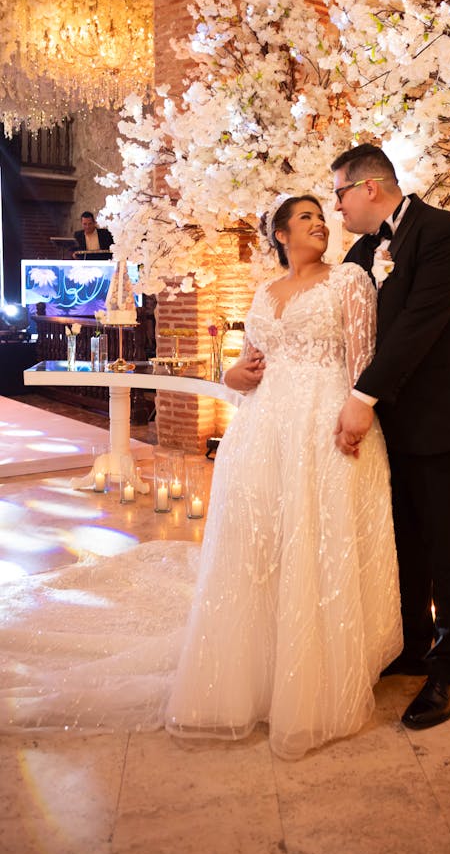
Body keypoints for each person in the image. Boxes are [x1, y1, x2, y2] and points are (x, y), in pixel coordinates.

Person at [0, 194, 401, 761]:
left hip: (326, 425)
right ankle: (259, 666)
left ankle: (316, 670)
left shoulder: (351, 282)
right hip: (262, 431)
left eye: (323, 216)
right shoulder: (265, 291)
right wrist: (234, 373)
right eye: (306, 218)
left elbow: (364, 362)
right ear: (281, 235)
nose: (320, 224)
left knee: (319, 539)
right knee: (259, 544)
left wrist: (357, 416)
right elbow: (246, 366)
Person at [331, 144, 450, 731]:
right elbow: (339, 318)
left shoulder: (443, 233)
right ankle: (414, 644)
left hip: (441, 422)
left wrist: (361, 397)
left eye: (340, 193)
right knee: (406, 546)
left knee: (449, 549)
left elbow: (420, 323)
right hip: (389, 432)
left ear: (370, 187)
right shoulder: (364, 249)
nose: (337, 207)